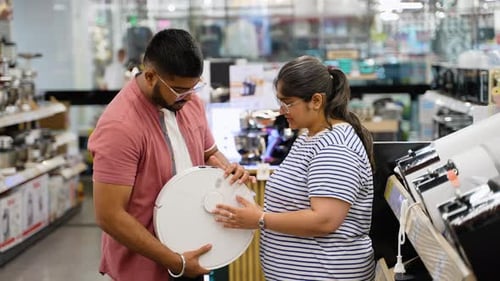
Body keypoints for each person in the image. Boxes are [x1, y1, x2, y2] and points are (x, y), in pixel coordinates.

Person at [88, 29, 253, 281]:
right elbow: (110, 216)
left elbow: (209, 153)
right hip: (143, 269)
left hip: (191, 255)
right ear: (151, 76)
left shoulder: (189, 103)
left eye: (193, 88)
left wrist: (229, 168)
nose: (187, 97)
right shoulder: (120, 126)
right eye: (178, 90)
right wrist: (175, 262)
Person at [213, 55, 376, 280]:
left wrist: (260, 218)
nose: (282, 110)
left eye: (288, 103)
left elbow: (324, 220)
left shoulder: (336, 147)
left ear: (316, 101)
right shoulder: (309, 136)